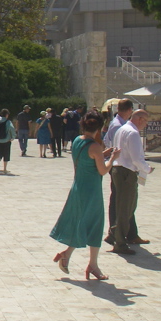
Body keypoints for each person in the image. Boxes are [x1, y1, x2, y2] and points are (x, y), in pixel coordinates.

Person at [50, 110, 120, 280]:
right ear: (100, 127)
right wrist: (112, 158)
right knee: (95, 224)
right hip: (91, 190)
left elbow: (87, 159)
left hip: (78, 187)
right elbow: (102, 170)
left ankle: (68, 255)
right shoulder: (95, 146)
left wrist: (103, 154)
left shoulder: (77, 141)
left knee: (81, 223)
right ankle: (92, 265)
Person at [108, 109, 154, 255]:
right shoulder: (133, 133)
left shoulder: (122, 129)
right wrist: (147, 169)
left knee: (126, 206)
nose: (146, 125)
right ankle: (120, 243)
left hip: (119, 170)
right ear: (140, 119)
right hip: (127, 172)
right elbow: (136, 158)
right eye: (145, 121)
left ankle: (115, 233)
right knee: (126, 208)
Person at [102, 99, 146, 246]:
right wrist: (146, 169)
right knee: (123, 204)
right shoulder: (122, 127)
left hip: (119, 167)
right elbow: (131, 154)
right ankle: (119, 235)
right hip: (123, 169)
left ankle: (123, 233)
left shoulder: (120, 125)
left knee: (124, 203)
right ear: (129, 110)